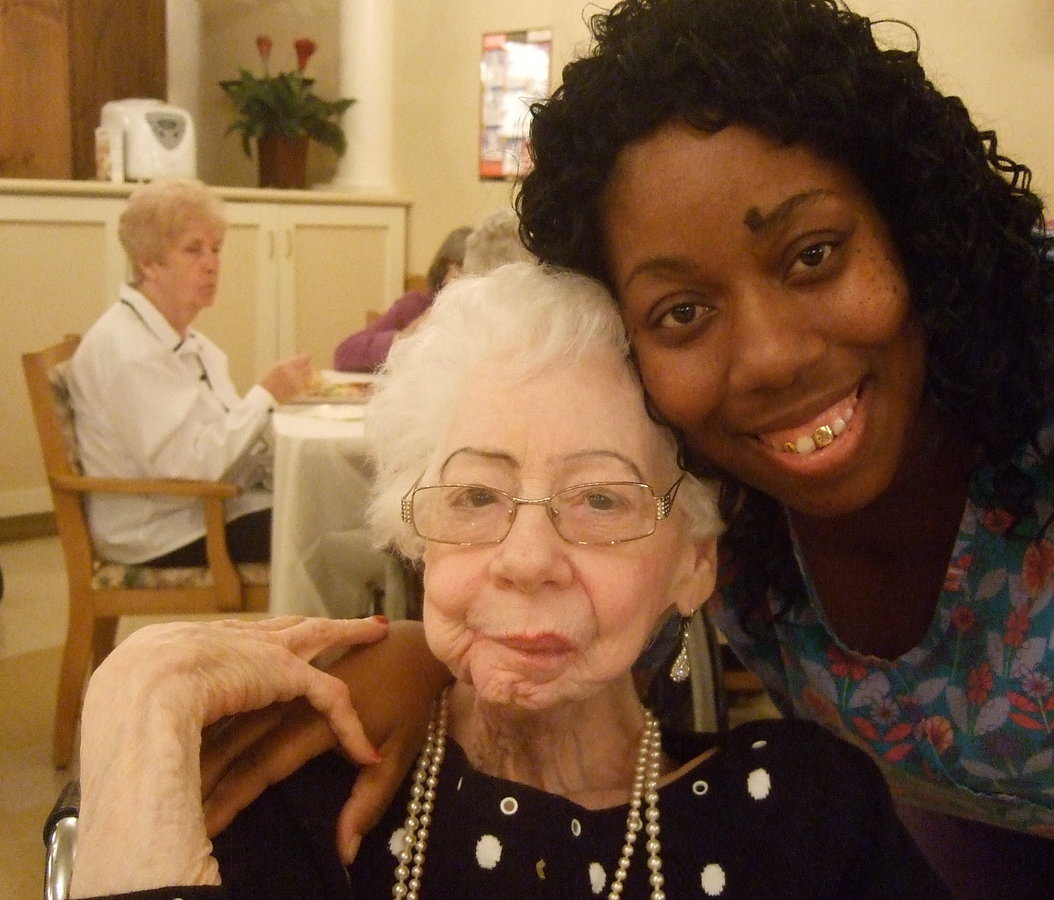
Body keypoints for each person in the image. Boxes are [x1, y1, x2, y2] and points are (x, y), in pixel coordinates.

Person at [199, 1, 1054, 897]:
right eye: (681, 309)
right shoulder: (698, 459)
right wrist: (446, 650)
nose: (765, 358)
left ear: (912, 226)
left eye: (813, 255)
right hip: (966, 829)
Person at [66, 262, 946, 899]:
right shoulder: (294, 792)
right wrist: (134, 694)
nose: (525, 558)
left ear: (695, 560)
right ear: (416, 532)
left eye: (601, 499)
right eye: (476, 494)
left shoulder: (807, 824)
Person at [68, 178, 312, 566]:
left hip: (206, 509)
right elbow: (191, 470)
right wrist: (265, 395)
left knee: (333, 506)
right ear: (148, 262)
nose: (212, 264)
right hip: (163, 531)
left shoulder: (190, 342)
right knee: (324, 533)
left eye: (216, 249)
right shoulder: (128, 350)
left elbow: (222, 443)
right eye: (193, 250)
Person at [332, 226, 471, 373]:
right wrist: (405, 338)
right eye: (462, 274)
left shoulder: (489, 311)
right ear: (446, 270)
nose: (469, 286)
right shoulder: (416, 305)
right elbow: (344, 354)